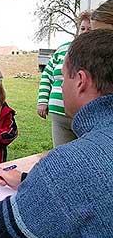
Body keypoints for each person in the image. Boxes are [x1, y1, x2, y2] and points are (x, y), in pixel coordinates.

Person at [0, 29, 113, 238]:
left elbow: (0, 236)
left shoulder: (71, 164)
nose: (59, 87)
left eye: (62, 78)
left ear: (80, 81)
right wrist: (26, 179)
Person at [37, 11, 91, 147]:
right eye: (82, 28)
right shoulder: (62, 49)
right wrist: (42, 101)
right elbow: (47, 75)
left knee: (83, 155)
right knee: (61, 154)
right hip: (59, 115)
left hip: (84, 116)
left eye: (90, 29)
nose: (85, 32)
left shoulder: (97, 53)